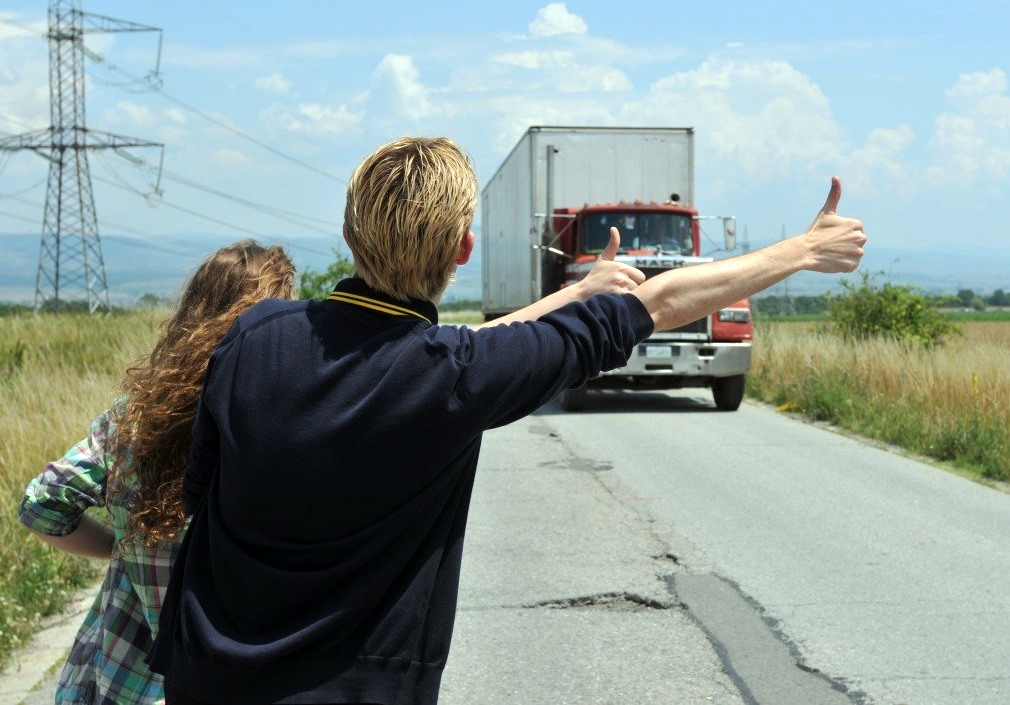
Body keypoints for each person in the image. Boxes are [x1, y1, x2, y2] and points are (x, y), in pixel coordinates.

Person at [148, 136, 866, 705]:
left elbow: (197, 491)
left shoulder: (253, 336)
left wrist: (572, 294)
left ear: (347, 230)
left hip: (204, 674)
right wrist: (801, 249)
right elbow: (663, 304)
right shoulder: (456, 379)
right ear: (462, 249)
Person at [18, 239, 298, 704]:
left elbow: (42, 503)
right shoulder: (273, 432)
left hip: (126, 683)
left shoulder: (135, 418)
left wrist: (121, 548)